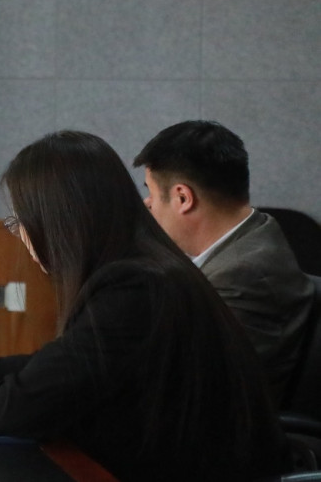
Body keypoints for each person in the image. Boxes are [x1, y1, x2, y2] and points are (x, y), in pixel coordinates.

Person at [0, 131, 286, 481]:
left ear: (56, 220)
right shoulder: (143, 268)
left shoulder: (135, 286)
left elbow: (29, 404)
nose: (22, 236)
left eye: (20, 222)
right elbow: (57, 368)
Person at [133, 120, 314, 405]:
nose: (148, 204)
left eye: (151, 193)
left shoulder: (242, 275)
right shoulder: (259, 229)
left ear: (182, 197)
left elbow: (189, 383)